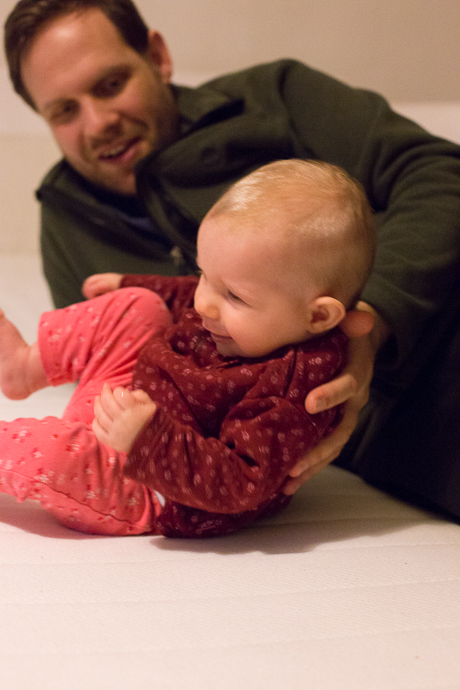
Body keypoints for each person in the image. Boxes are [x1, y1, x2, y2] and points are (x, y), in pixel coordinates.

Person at [4, 0, 460, 520]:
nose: (99, 123)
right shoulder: (67, 219)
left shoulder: (277, 98)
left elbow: (439, 174)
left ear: (157, 56)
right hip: (310, 444)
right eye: (64, 111)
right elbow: (108, 373)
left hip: (437, 356)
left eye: (110, 85)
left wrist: (373, 323)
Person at [0, 160, 375, 537]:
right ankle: (23, 367)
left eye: (235, 296)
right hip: (126, 402)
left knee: (52, 453)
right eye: (203, 275)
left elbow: (239, 483)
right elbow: (184, 293)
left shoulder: (291, 394)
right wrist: (129, 283)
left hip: (151, 483)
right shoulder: (238, 315)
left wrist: (145, 438)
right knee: (140, 304)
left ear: (318, 316)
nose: (204, 304)